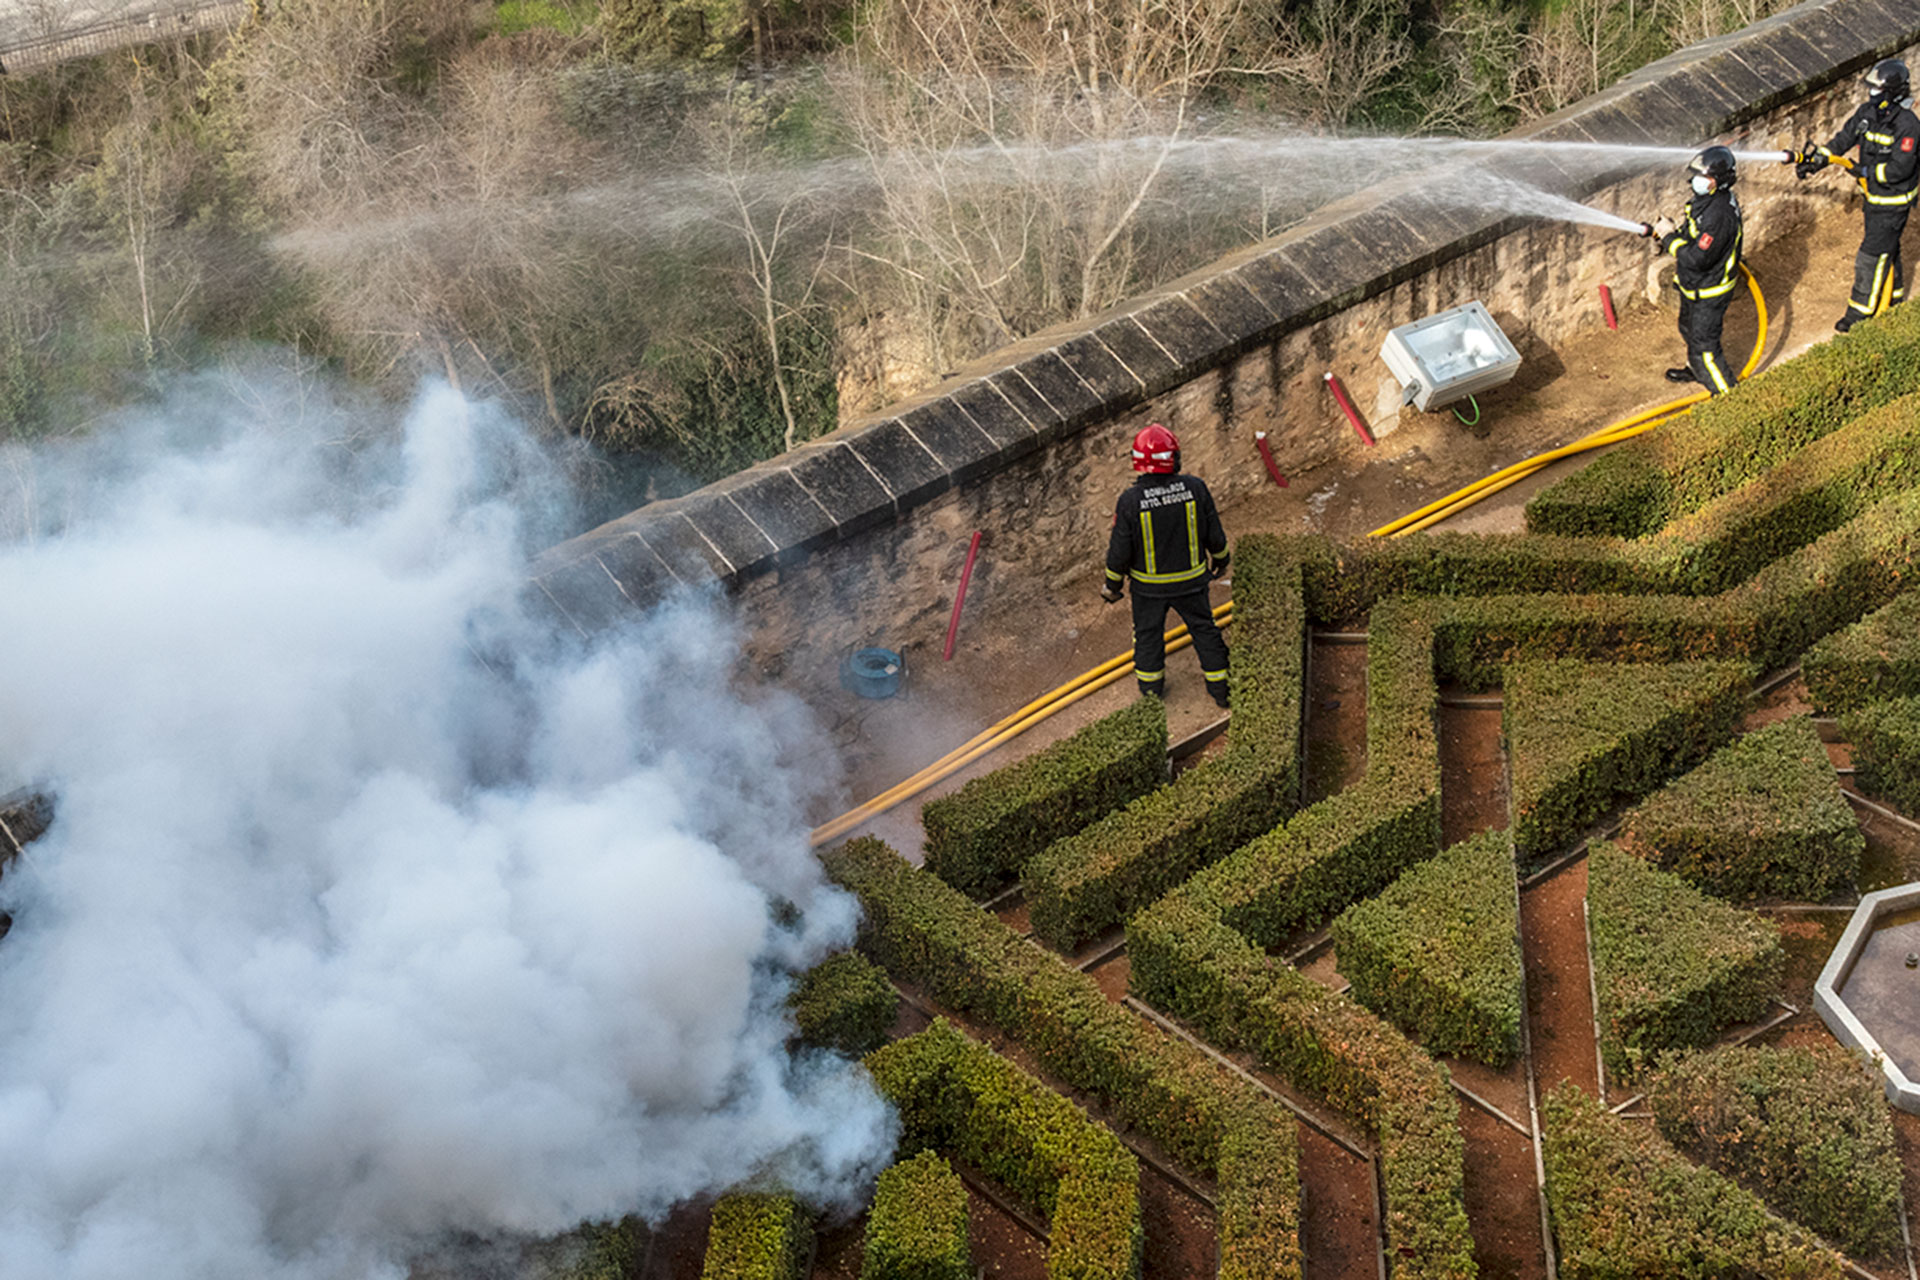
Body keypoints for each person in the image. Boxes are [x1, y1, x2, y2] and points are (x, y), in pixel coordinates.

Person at [1100, 423, 1231, 709]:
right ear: (1173, 458)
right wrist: (1221, 560)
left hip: (1149, 591)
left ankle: (1151, 692)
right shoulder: (1195, 488)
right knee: (1204, 630)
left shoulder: (1130, 501)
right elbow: (1214, 534)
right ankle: (1221, 689)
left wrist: (1112, 585)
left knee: (1148, 637)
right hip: (1191, 584)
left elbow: (1119, 551)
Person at [1795, 59, 1920, 331]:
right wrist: (1818, 160)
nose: (1871, 94)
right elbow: (1844, 139)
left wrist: (1865, 171)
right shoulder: (1867, 113)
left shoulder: (1908, 125)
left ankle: (1859, 312)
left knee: (1870, 255)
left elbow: (1899, 169)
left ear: (1892, 92)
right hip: (1872, 198)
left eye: (1877, 89)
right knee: (1887, 248)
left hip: (1893, 202)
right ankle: (1894, 296)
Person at [1646, 146, 1743, 393]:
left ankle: (1731, 398)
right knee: (1688, 329)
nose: (1696, 180)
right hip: (1694, 286)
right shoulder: (1706, 201)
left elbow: (1696, 258)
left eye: (1703, 176)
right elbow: (1692, 235)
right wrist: (1667, 234)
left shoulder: (1719, 215)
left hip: (1709, 291)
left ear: (1718, 181)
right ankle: (1696, 370)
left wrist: (1669, 237)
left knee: (1705, 350)